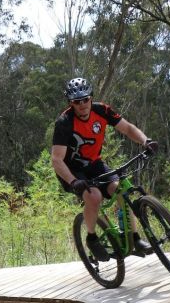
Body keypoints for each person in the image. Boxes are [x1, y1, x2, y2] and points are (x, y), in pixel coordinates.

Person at [51, 76, 158, 262]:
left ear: (91, 97)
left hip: (94, 163)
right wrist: (74, 181)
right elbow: (57, 160)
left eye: (86, 99)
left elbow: (127, 128)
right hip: (71, 171)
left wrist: (145, 141)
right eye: (77, 101)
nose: (83, 104)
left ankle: (134, 238)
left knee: (120, 189)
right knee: (94, 197)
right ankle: (92, 238)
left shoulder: (102, 110)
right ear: (71, 103)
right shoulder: (64, 122)